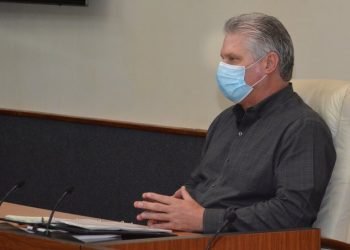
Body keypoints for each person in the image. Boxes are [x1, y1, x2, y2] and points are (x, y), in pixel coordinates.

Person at [134, 12, 336, 233]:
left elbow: (294, 212)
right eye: (223, 59)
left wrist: (204, 220)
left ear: (269, 63)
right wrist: (171, 213)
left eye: (233, 59)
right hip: (194, 238)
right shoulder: (225, 121)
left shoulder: (303, 128)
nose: (223, 67)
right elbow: (197, 186)